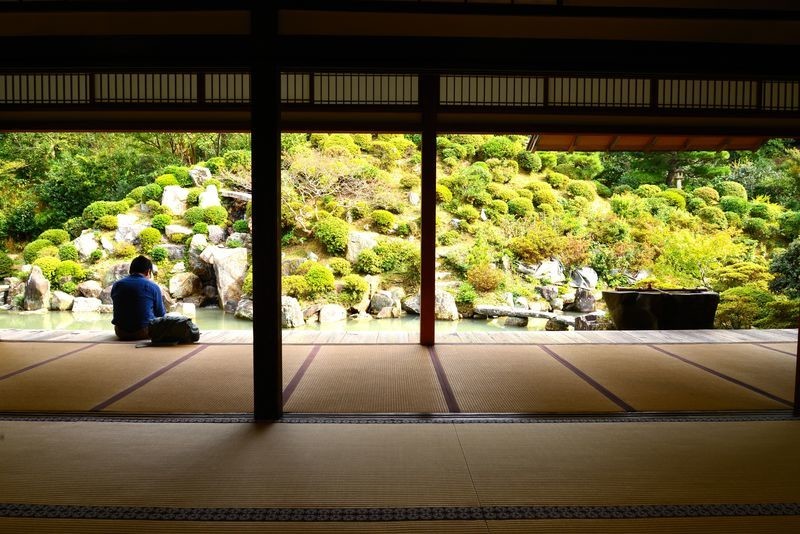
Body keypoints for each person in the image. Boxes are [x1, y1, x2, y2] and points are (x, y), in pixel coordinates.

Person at [111, 255, 166, 341]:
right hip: (144, 332)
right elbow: (160, 314)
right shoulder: (152, 286)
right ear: (148, 272)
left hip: (121, 332)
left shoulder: (117, 285)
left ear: (130, 271)